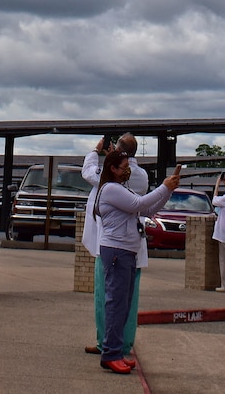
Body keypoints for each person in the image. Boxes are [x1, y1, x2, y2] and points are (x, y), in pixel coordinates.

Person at [95, 149, 179, 373]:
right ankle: (111, 353)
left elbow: (148, 209)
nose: (127, 171)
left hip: (126, 251)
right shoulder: (111, 189)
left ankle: (116, 351)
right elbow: (138, 205)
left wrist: (168, 191)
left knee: (124, 304)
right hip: (116, 250)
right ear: (112, 168)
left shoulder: (121, 189)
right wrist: (164, 186)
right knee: (116, 303)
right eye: (123, 167)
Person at [81, 135, 148, 355]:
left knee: (106, 297)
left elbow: (88, 171)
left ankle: (107, 343)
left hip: (111, 246)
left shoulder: (110, 177)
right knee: (128, 300)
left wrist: (97, 150)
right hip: (133, 245)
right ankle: (124, 344)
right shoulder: (143, 177)